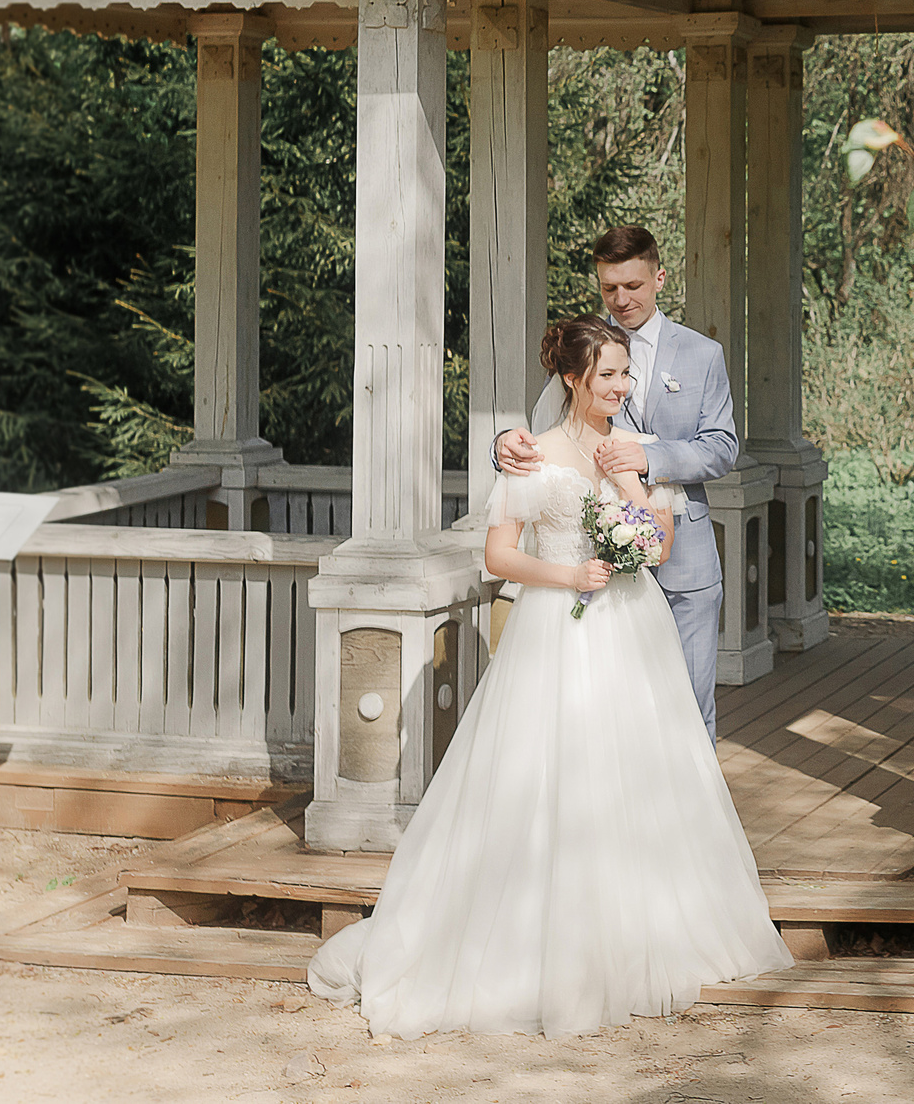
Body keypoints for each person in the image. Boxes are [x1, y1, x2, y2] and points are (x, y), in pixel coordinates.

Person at [309, 314, 791, 1037]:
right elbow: (499, 556)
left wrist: (640, 534)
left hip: (633, 624)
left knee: (644, 773)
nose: (621, 387)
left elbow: (656, 537)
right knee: (554, 769)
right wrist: (569, 571)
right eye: (608, 375)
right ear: (572, 378)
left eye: (626, 373)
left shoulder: (625, 448)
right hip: (558, 629)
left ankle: (646, 928)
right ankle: (544, 940)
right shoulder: (533, 455)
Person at [494, 224, 738, 739]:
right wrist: (502, 446)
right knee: (615, 720)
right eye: (610, 288)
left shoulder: (701, 355)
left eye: (633, 286)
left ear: (659, 278)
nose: (621, 299)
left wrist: (648, 461)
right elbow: (550, 431)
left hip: (683, 555)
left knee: (689, 710)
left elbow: (722, 448)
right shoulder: (583, 348)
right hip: (598, 575)